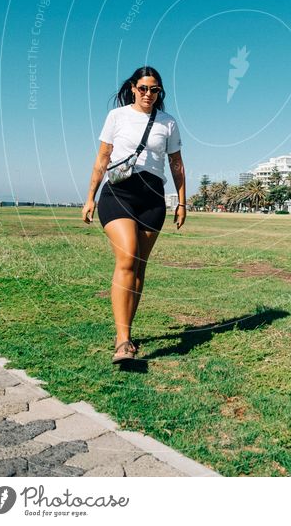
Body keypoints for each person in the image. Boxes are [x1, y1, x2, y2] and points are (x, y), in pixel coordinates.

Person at [81, 66, 186, 363]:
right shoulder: (117, 116)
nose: (148, 95)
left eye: (155, 90)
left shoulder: (168, 123)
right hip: (119, 194)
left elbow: (176, 164)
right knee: (127, 257)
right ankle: (123, 341)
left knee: (139, 268)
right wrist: (90, 197)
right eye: (143, 88)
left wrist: (182, 202)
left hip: (153, 198)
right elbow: (102, 158)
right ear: (132, 88)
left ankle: (125, 331)